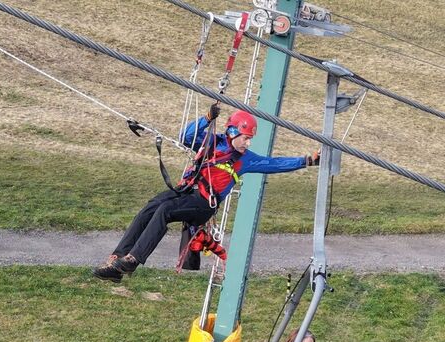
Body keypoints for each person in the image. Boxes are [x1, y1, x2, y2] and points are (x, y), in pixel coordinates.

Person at [93, 107, 319, 281]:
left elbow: (274, 164)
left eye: (250, 138)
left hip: (203, 204)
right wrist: (207, 118)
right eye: (245, 137)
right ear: (232, 132)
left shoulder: (246, 159)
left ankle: (133, 259)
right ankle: (116, 260)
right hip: (187, 192)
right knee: (150, 207)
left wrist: (307, 160)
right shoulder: (211, 142)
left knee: (165, 210)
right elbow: (186, 136)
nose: (248, 143)